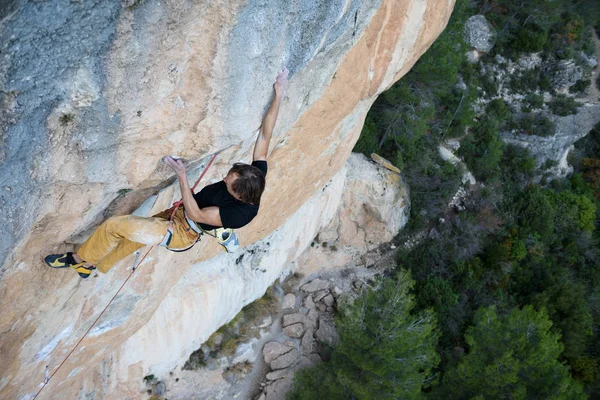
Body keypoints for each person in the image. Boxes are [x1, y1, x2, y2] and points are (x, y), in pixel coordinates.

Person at [45, 67, 288, 278]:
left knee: (113, 226)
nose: (224, 178)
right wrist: (279, 94)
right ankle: (94, 266)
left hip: (183, 231)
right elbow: (265, 134)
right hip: (178, 213)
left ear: (239, 196)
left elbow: (197, 214)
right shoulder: (256, 176)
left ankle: (78, 260)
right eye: (229, 174)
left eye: (228, 182)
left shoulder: (240, 215)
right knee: (131, 239)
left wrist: (182, 176)